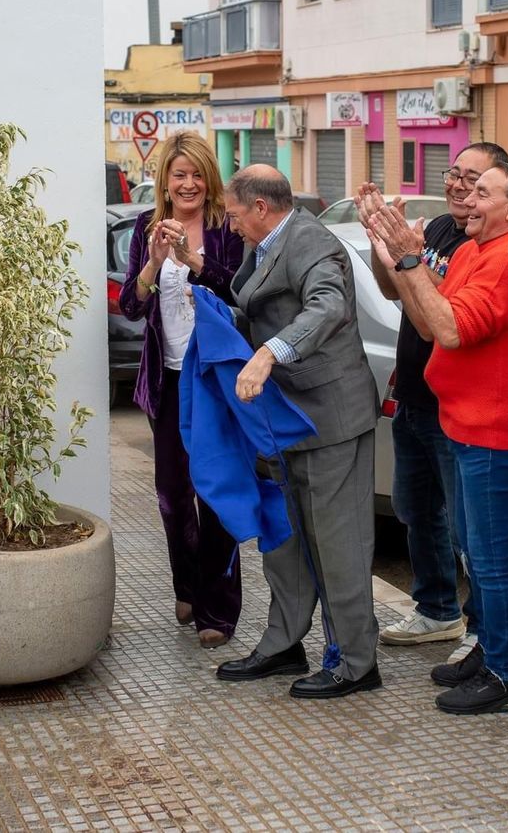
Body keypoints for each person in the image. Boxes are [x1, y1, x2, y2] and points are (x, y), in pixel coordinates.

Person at [367, 165, 508, 714]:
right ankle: (488, 650)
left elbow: (449, 329)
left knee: (492, 562)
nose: (466, 199)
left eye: (481, 192)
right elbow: (428, 322)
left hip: (496, 432)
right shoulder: (478, 248)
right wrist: (397, 253)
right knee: (475, 552)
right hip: (463, 423)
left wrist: (408, 259)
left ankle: (503, 673)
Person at [214, 165, 382, 699]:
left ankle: (356, 661)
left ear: (261, 207)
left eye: (235, 214)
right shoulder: (265, 243)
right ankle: (285, 642)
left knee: (338, 545)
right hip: (281, 419)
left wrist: (268, 353)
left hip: (330, 418)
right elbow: (259, 301)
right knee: (283, 541)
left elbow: (328, 305)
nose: (231, 225)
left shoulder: (313, 242)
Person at [354, 141, 508, 650]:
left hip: (459, 405)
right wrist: (385, 247)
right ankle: (436, 610)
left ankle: (483, 631)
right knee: (415, 509)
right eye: (454, 174)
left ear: (498, 190)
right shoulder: (443, 229)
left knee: (472, 533)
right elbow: (392, 289)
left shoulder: (489, 245)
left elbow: (441, 316)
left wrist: (409, 256)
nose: (458, 185)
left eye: (473, 179)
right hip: (414, 397)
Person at [115, 132, 245, 647]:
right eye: (179, 175)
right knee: (172, 494)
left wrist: (193, 261)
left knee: (214, 494)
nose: (188, 184)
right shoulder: (148, 230)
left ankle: (219, 609)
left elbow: (240, 289)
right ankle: (187, 585)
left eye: (196, 175)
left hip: (213, 380)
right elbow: (130, 305)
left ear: (208, 179)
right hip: (166, 381)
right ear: (164, 181)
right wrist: (152, 260)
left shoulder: (224, 228)